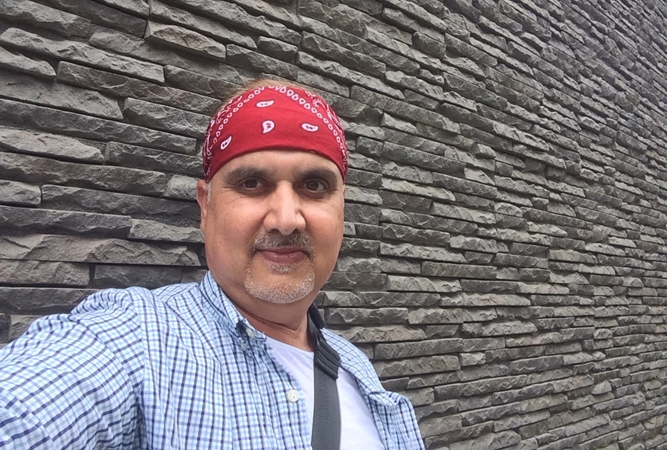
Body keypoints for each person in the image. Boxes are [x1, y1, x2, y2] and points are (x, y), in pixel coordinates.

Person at [0, 79, 425, 449]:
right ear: (205, 207)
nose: (286, 219)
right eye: (252, 183)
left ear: (341, 208)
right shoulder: (139, 338)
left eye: (314, 185)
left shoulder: (355, 367)